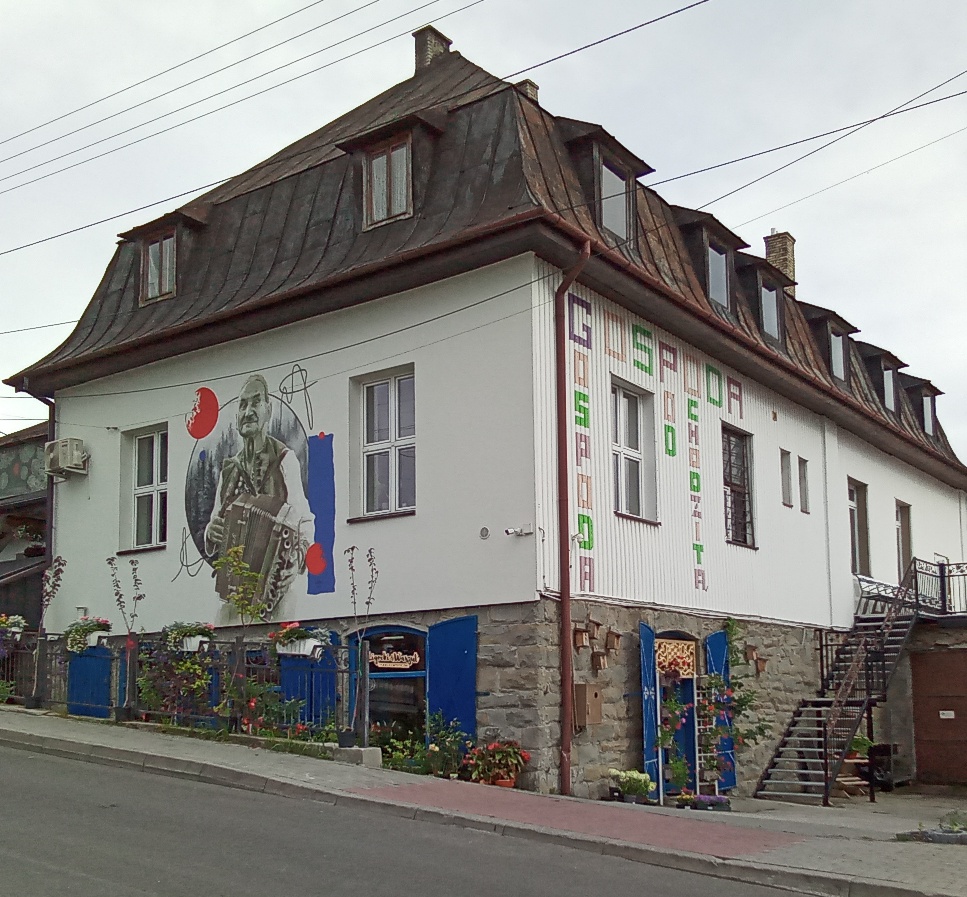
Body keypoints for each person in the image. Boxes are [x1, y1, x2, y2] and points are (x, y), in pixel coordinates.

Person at [205, 374, 314, 614]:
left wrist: (296, 561)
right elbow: (215, 521)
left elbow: (304, 520)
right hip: (233, 594)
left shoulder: (284, 460)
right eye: (242, 405)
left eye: (256, 402)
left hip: (276, 593)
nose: (248, 412)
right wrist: (211, 532)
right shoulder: (229, 470)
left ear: (268, 410)